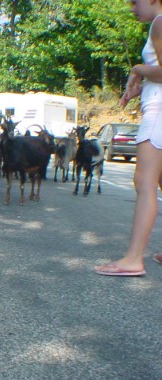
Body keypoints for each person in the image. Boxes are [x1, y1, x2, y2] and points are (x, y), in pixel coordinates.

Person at [95, 0, 162, 277]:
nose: (132, 7)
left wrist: (137, 69)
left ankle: (134, 259)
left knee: (144, 182)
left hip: (158, 112)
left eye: (135, 1)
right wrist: (141, 86)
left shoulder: (160, 22)